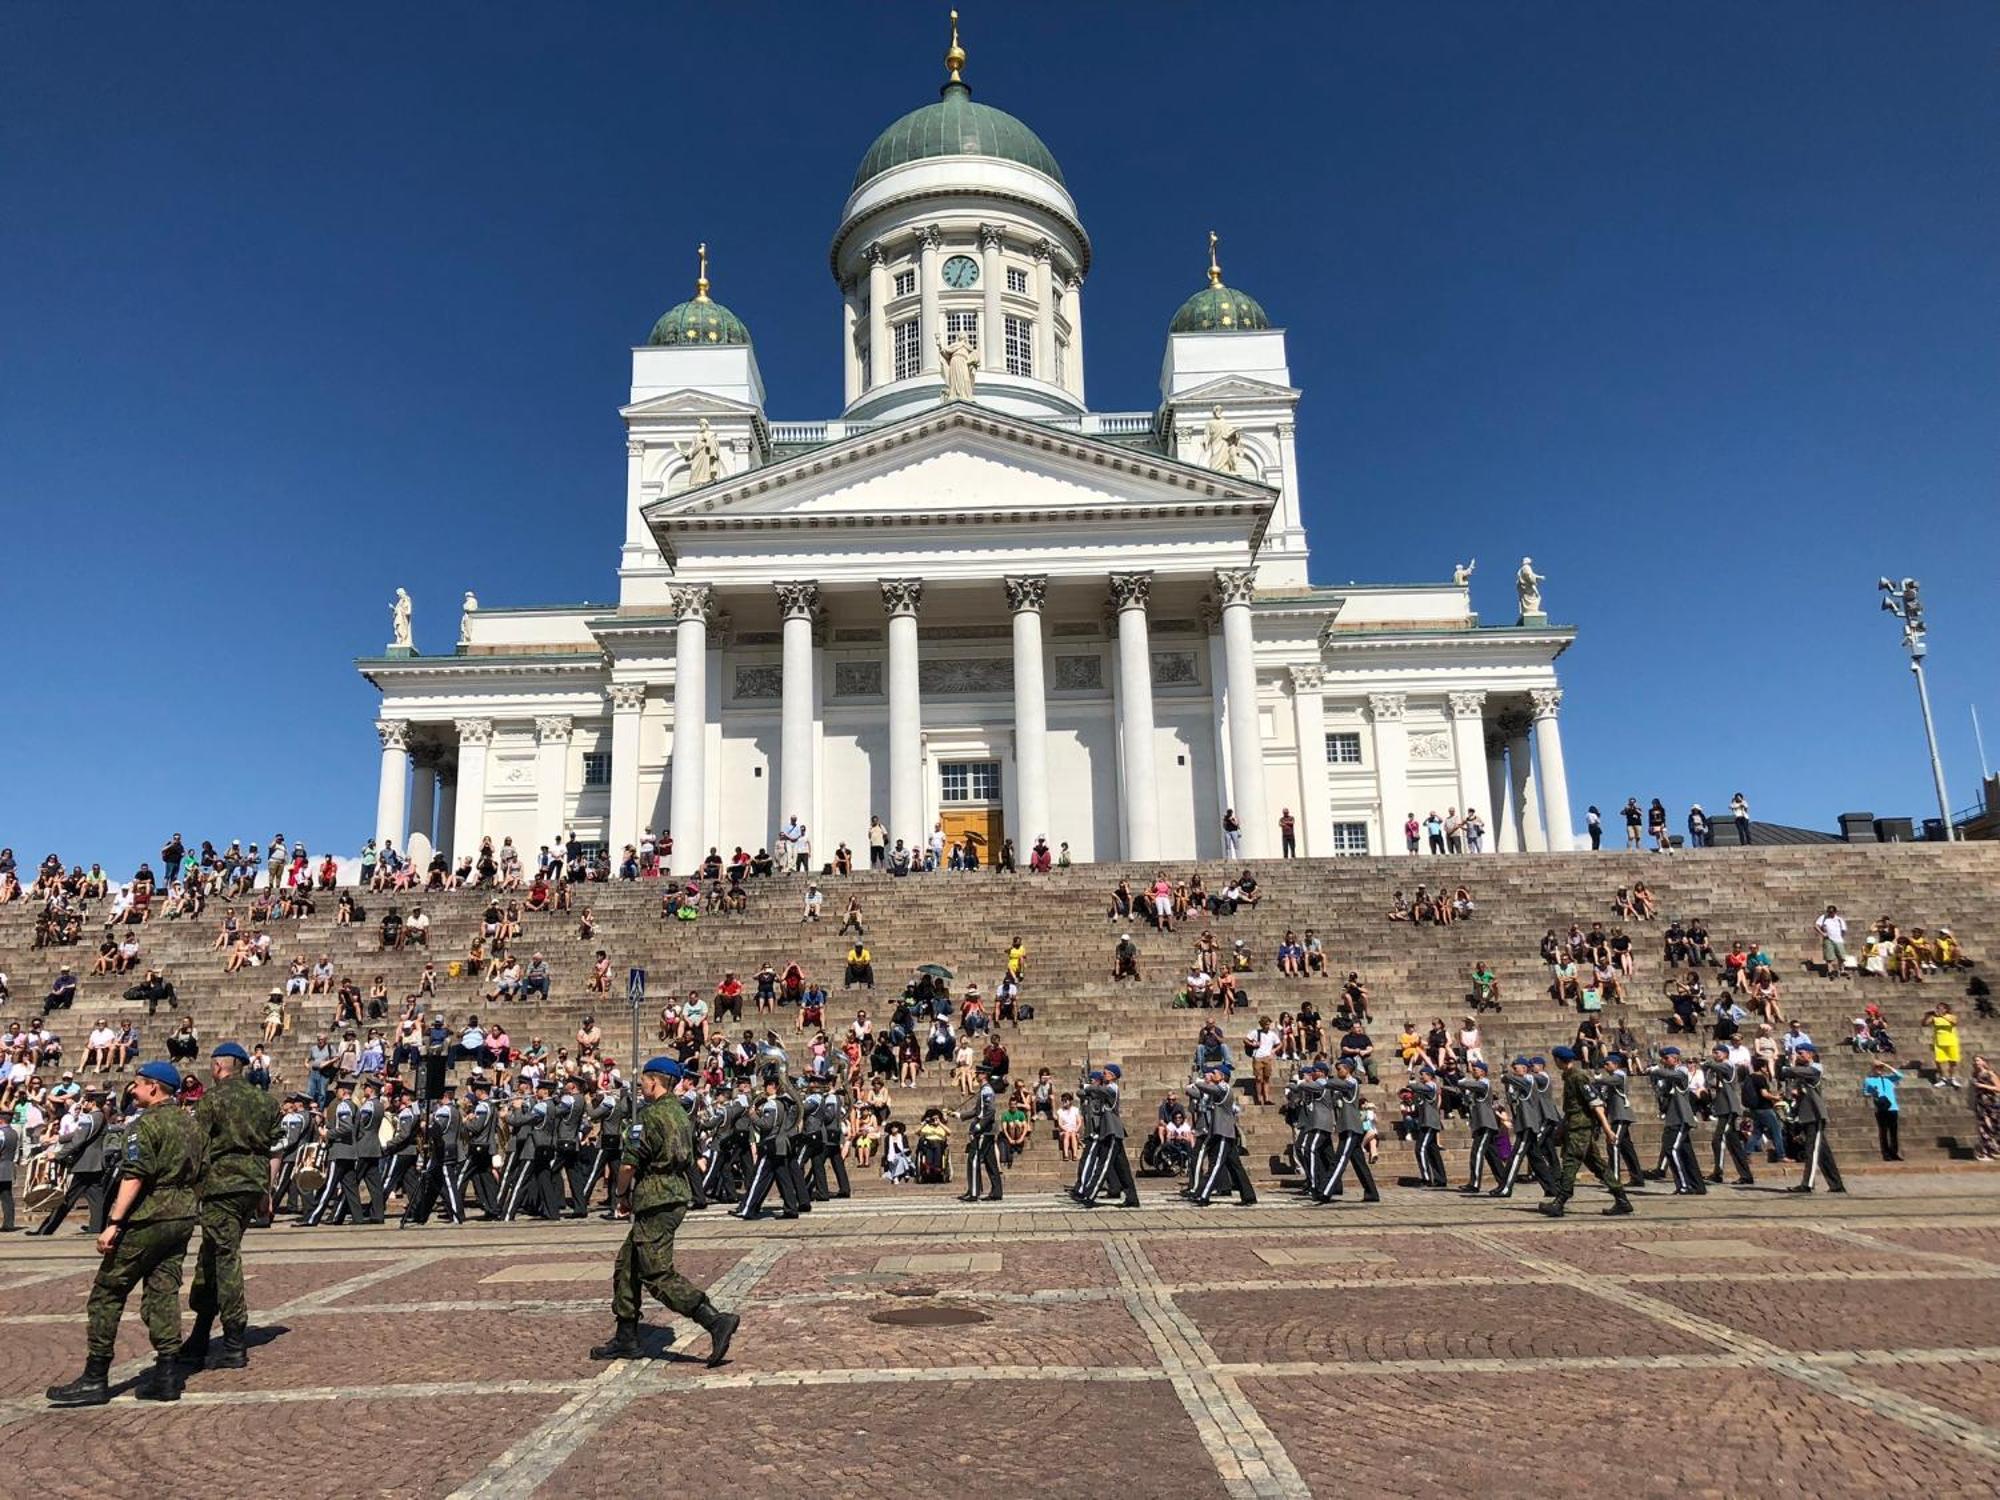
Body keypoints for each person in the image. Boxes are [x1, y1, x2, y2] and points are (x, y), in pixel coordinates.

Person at [46, 1060, 205, 1406]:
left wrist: (114, 1222)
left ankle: (95, 1377)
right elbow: (200, 1172)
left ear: (154, 1087)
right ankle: (166, 1374)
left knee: (107, 1292)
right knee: (163, 1289)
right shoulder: (191, 1124)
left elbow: (135, 1174)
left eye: (137, 1084)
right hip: (181, 1215)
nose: (132, 1090)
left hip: (146, 1218)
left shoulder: (143, 1126)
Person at [588, 1057, 740, 1364]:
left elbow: (629, 1164)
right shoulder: (681, 1114)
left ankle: (713, 1319)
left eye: (644, 1081)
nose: (641, 1086)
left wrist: (620, 1194)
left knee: (656, 1273)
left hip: (655, 1198)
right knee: (627, 1264)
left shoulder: (649, 1117)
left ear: (655, 1082)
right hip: (673, 1194)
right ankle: (626, 1337)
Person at [180, 1041, 282, 1371]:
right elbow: (275, 1149)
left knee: (224, 1259)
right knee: (211, 1257)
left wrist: (189, 1185)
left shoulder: (213, 1098)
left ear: (219, 1067)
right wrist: (266, 1191)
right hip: (251, 1184)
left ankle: (234, 1339)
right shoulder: (264, 1101)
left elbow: (196, 1145)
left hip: (221, 1185)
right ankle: (199, 1335)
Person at [1537, 1046, 1633, 1218]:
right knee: (1598, 1165)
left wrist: (1607, 1129)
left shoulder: (1578, 1077)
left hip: (1580, 1129)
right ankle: (1622, 1200)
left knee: (1570, 1161)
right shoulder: (1569, 1077)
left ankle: (1560, 1201)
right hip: (1574, 1126)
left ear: (1559, 1060)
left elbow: (1596, 1103)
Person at [1862, 1061, 1903, 1162]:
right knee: (1883, 1131)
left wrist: (1887, 1065)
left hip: (1892, 1107)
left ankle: (1894, 1153)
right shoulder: (1869, 1080)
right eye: (1877, 1068)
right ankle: (1886, 1153)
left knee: (1893, 1132)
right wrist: (1873, 1093)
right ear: (1873, 1069)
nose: (1879, 1069)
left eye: (1880, 1068)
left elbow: (1900, 1075)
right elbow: (1865, 1092)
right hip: (1881, 1107)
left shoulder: (1889, 1079)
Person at [1923, 1001, 1962, 1087]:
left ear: (1945, 1009)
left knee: (1953, 1060)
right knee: (1939, 1061)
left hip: (1951, 1041)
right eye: (1937, 1008)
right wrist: (1928, 1015)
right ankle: (1943, 1078)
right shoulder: (1934, 1017)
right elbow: (1925, 1024)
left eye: (1940, 1008)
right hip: (1939, 1042)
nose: (1938, 1009)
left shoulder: (1951, 1017)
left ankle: (1952, 1078)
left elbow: (1954, 1022)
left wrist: (1943, 1016)